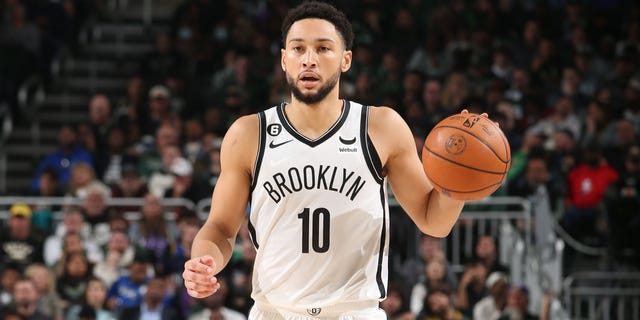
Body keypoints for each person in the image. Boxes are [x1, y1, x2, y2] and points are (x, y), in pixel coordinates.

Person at [182, 2, 482, 319]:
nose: (309, 59)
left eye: (323, 48)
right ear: (284, 60)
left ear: (345, 60)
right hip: (276, 312)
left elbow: (433, 220)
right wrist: (205, 261)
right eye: (298, 49)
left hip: (354, 312)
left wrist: (459, 180)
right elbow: (220, 227)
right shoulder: (248, 134)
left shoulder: (380, 127)